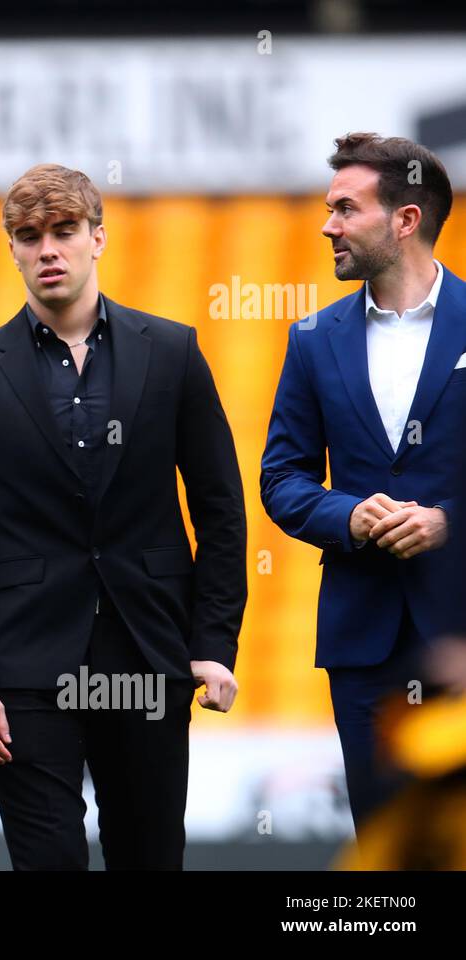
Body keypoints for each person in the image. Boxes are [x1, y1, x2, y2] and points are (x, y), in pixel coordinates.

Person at [0, 164, 247, 870]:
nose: (47, 249)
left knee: (149, 858)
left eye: (63, 231)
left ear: (98, 237)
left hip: (149, 652)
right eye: (28, 236)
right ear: (12, 249)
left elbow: (221, 511)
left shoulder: (172, 353)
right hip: (23, 667)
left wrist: (213, 641)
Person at [261, 132, 464, 839]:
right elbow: (281, 478)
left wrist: (448, 523)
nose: (328, 225)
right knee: (384, 841)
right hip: (364, 642)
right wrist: (347, 515)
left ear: (404, 220)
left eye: (345, 209)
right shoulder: (313, 338)